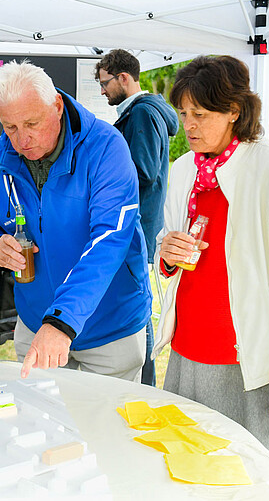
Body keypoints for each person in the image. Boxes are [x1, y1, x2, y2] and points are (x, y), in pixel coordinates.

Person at [153, 55, 269, 484]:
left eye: (201, 114)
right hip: (190, 348)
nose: (189, 125)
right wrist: (168, 254)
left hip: (248, 359)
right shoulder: (182, 170)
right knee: (194, 472)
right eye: (184, 114)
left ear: (235, 111)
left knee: (253, 477)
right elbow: (169, 252)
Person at [0, 61, 152, 382]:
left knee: (106, 427)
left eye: (31, 123)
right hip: (36, 321)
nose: (21, 140)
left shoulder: (106, 148)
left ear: (56, 105)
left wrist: (62, 321)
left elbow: (110, 240)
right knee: (42, 426)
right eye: (9, 127)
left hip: (109, 324)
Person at [95, 48, 179, 387]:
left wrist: (102, 171)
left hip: (137, 227)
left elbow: (141, 172)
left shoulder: (142, 114)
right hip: (139, 225)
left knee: (136, 309)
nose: (102, 91)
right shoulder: (143, 112)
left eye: (105, 84)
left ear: (124, 78)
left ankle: (144, 383)